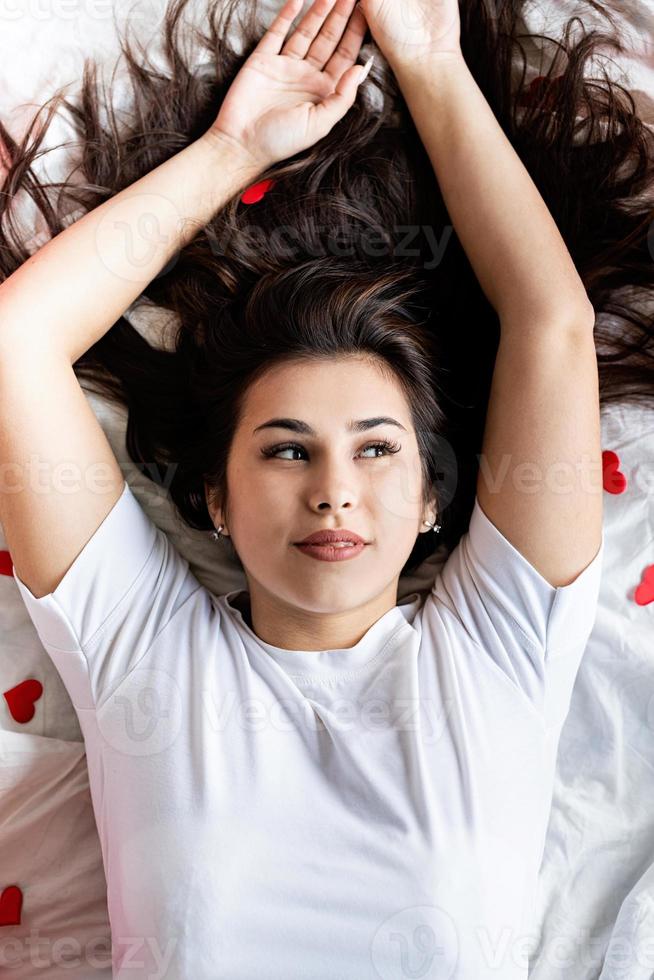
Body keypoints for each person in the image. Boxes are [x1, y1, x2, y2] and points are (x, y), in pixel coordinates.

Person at [0, 0, 642, 975]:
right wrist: (235, 145)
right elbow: (15, 344)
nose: (334, 490)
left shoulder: (503, 649)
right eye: (287, 450)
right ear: (218, 496)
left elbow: (549, 321)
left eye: (377, 450)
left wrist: (431, 60)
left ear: (435, 497)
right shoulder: (145, 654)